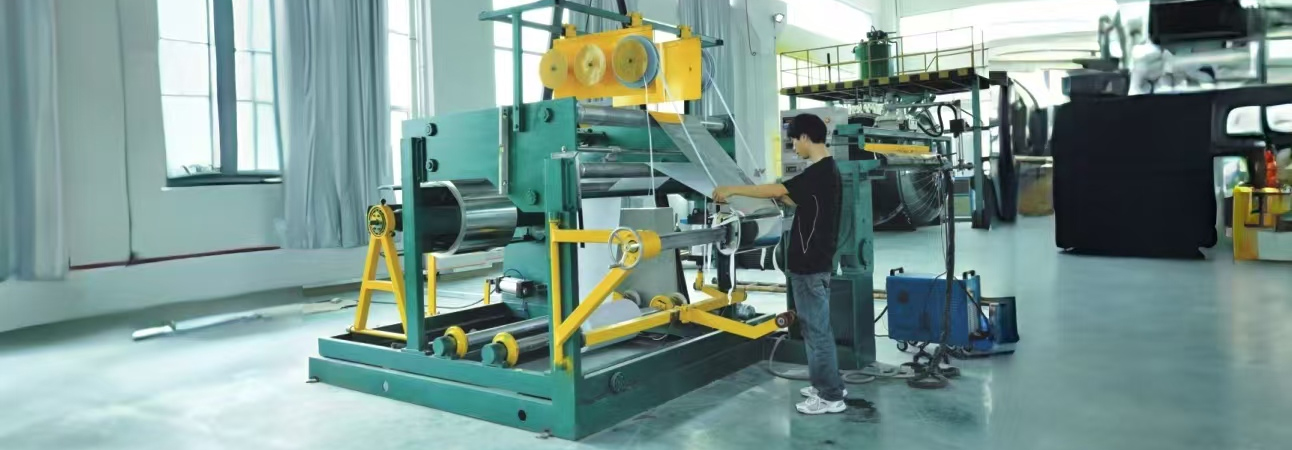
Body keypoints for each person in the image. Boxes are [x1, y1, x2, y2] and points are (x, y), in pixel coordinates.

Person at [712, 113, 845, 415]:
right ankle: (827, 384)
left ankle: (830, 395)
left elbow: (778, 190)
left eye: (794, 140)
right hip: (816, 262)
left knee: (816, 331)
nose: (794, 147)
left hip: (809, 265)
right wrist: (779, 195)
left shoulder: (819, 172)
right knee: (816, 329)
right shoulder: (827, 171)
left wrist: (732, 189)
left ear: (806, 137)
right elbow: (796, 199)